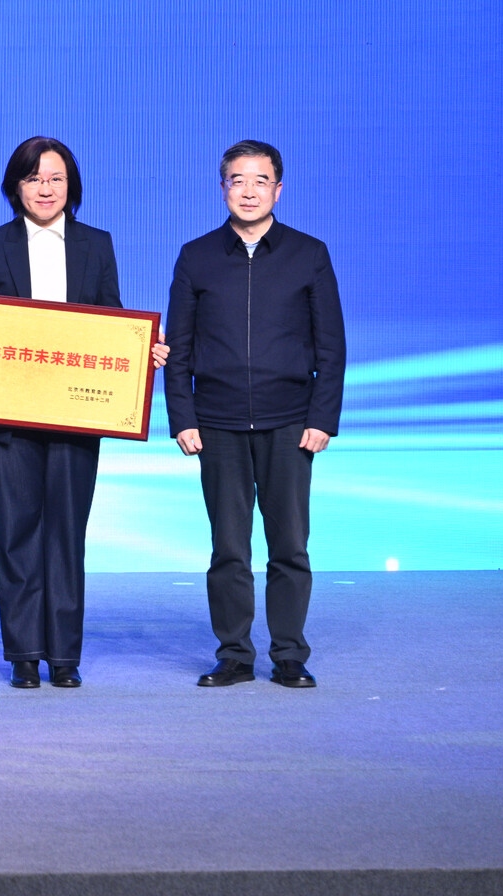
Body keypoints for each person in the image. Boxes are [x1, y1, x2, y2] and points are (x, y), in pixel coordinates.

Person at [0, 136, 167, 689]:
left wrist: (141, 352)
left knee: (66, 533)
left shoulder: (96, 244)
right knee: (15, 533)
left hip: (76, 415)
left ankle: (64, 655)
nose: (45, 189)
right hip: (7, 418)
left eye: (55, 178)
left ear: (71, 185)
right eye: (33, 178)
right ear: (16, 187)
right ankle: (25, 653)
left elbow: (114, 320)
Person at [166, 140, 345, 690]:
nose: (249, 191)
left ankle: (289, 654)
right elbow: (178, 348)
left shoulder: (308, 254)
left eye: (260, 181)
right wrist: (182, 417)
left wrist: (322, 418)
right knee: (229, 548)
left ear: (278, 189)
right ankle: (234, 655)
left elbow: (331, 346)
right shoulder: (196, 256)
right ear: (222, 188)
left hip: (290, 422)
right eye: (237, 180)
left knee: (289, 546)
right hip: (216, 423)